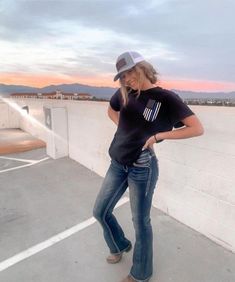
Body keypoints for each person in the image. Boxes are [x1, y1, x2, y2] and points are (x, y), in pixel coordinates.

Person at [93, 51, 204, 282]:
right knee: (100, 211)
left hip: (142, 168)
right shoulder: (125, 92)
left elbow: (196, 128)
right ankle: (120, 244)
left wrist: (157, 137)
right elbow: (111, 110)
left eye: (128, 73)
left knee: (140, 221)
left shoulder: (166, 98)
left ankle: (140, 273)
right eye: (121, 77)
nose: (126, 80)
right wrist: (123, 129)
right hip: (117, 162)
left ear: (142, 68)